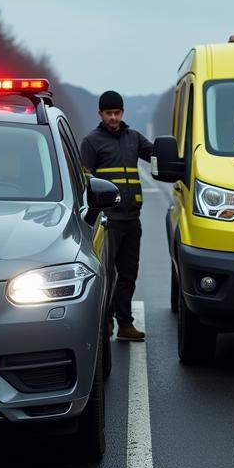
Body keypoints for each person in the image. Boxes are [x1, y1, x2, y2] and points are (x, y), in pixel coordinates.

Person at [81, 90, 153, 341]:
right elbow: (85, 179)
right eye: (109, 113)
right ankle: (106, 321)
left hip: (132, 219)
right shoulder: (92, 142)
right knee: (108, 275)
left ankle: (125, 324)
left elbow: (156, 156)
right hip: (108, 221)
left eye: (117, 112)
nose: (113, 117)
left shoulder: (134, 138)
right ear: (100, 114)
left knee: (129, 274)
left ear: (123, 112)